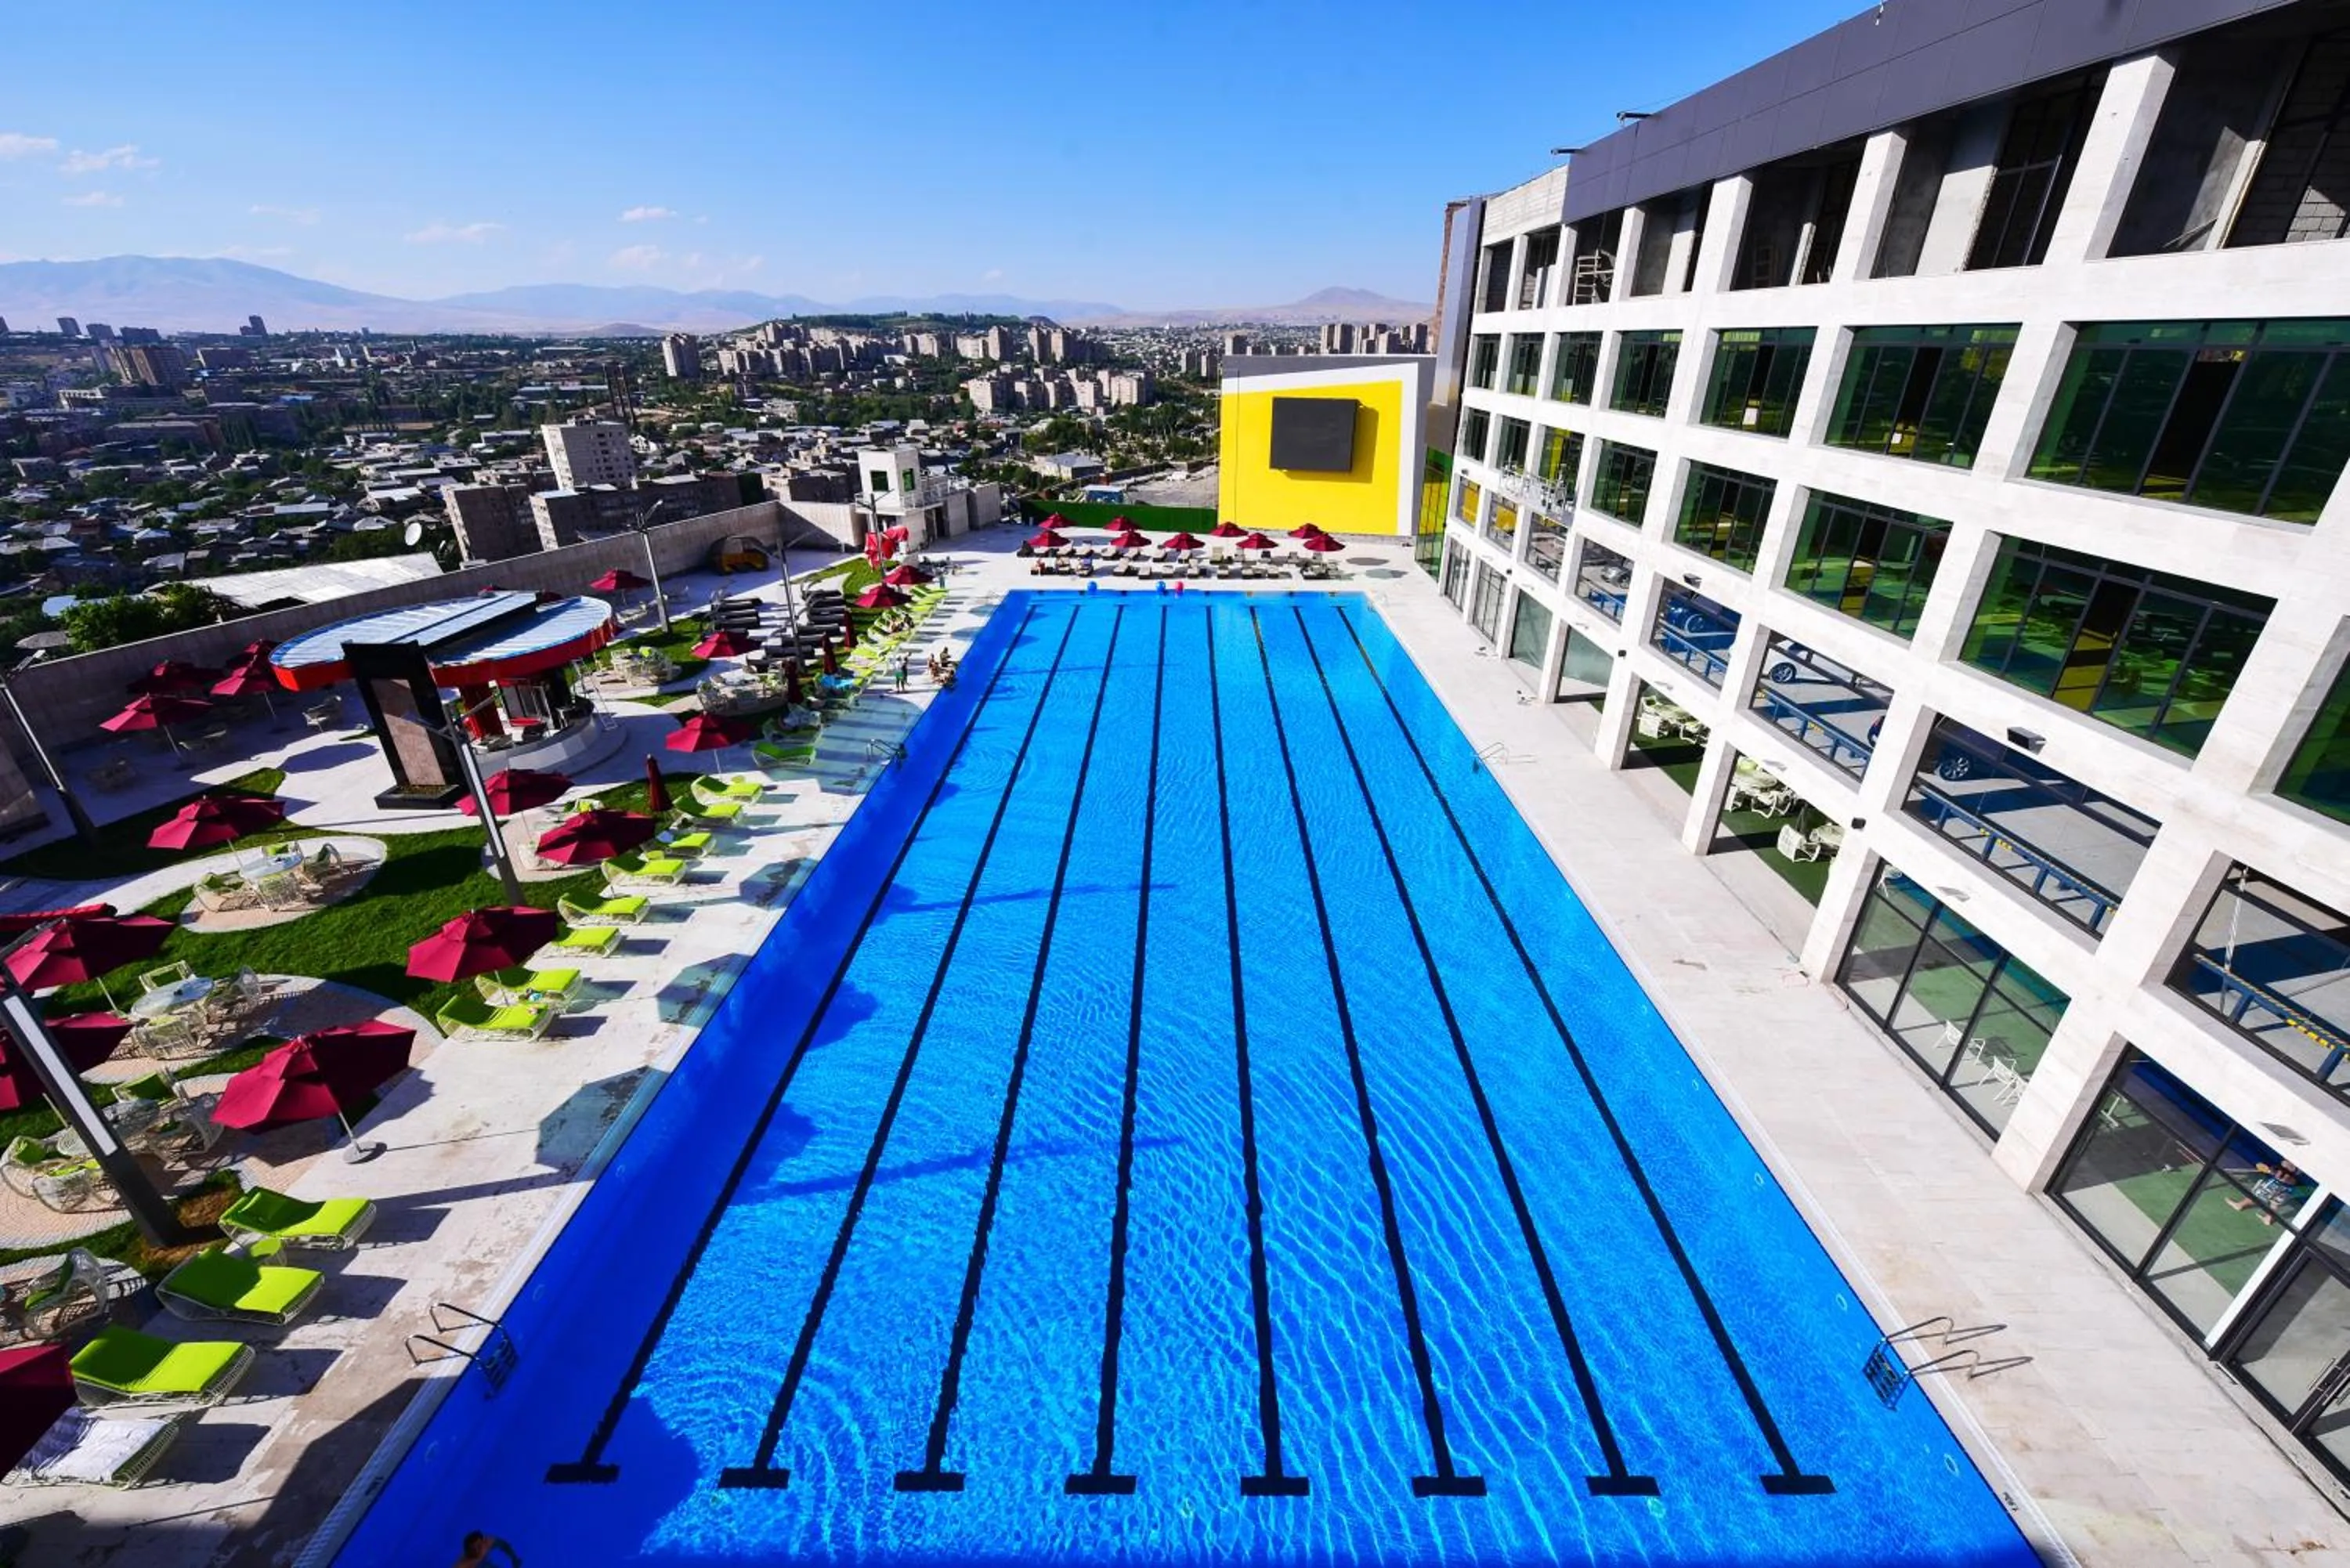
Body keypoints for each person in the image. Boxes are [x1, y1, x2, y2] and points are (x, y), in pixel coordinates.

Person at [2229, 1161, 2301, 1226]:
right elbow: (2260, 1165)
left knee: (2260, 1195)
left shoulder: (2289, 1173)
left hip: (2281, 1187)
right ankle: (2268, 1219)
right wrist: (2270, 1171)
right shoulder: (2285, 1169)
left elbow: (2286, 1178)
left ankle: (2241, 1205)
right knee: (2275, 1203)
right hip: (2288, 1190)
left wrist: (2272, 1172)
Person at [454, 1531, 520, 1566]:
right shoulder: (465, 1563)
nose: (477, 1551)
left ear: (483, 1542)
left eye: (479, 1546)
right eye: (473, 1549)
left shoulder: (488, 1543)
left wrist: (514, 1558)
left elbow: (504, 1545)